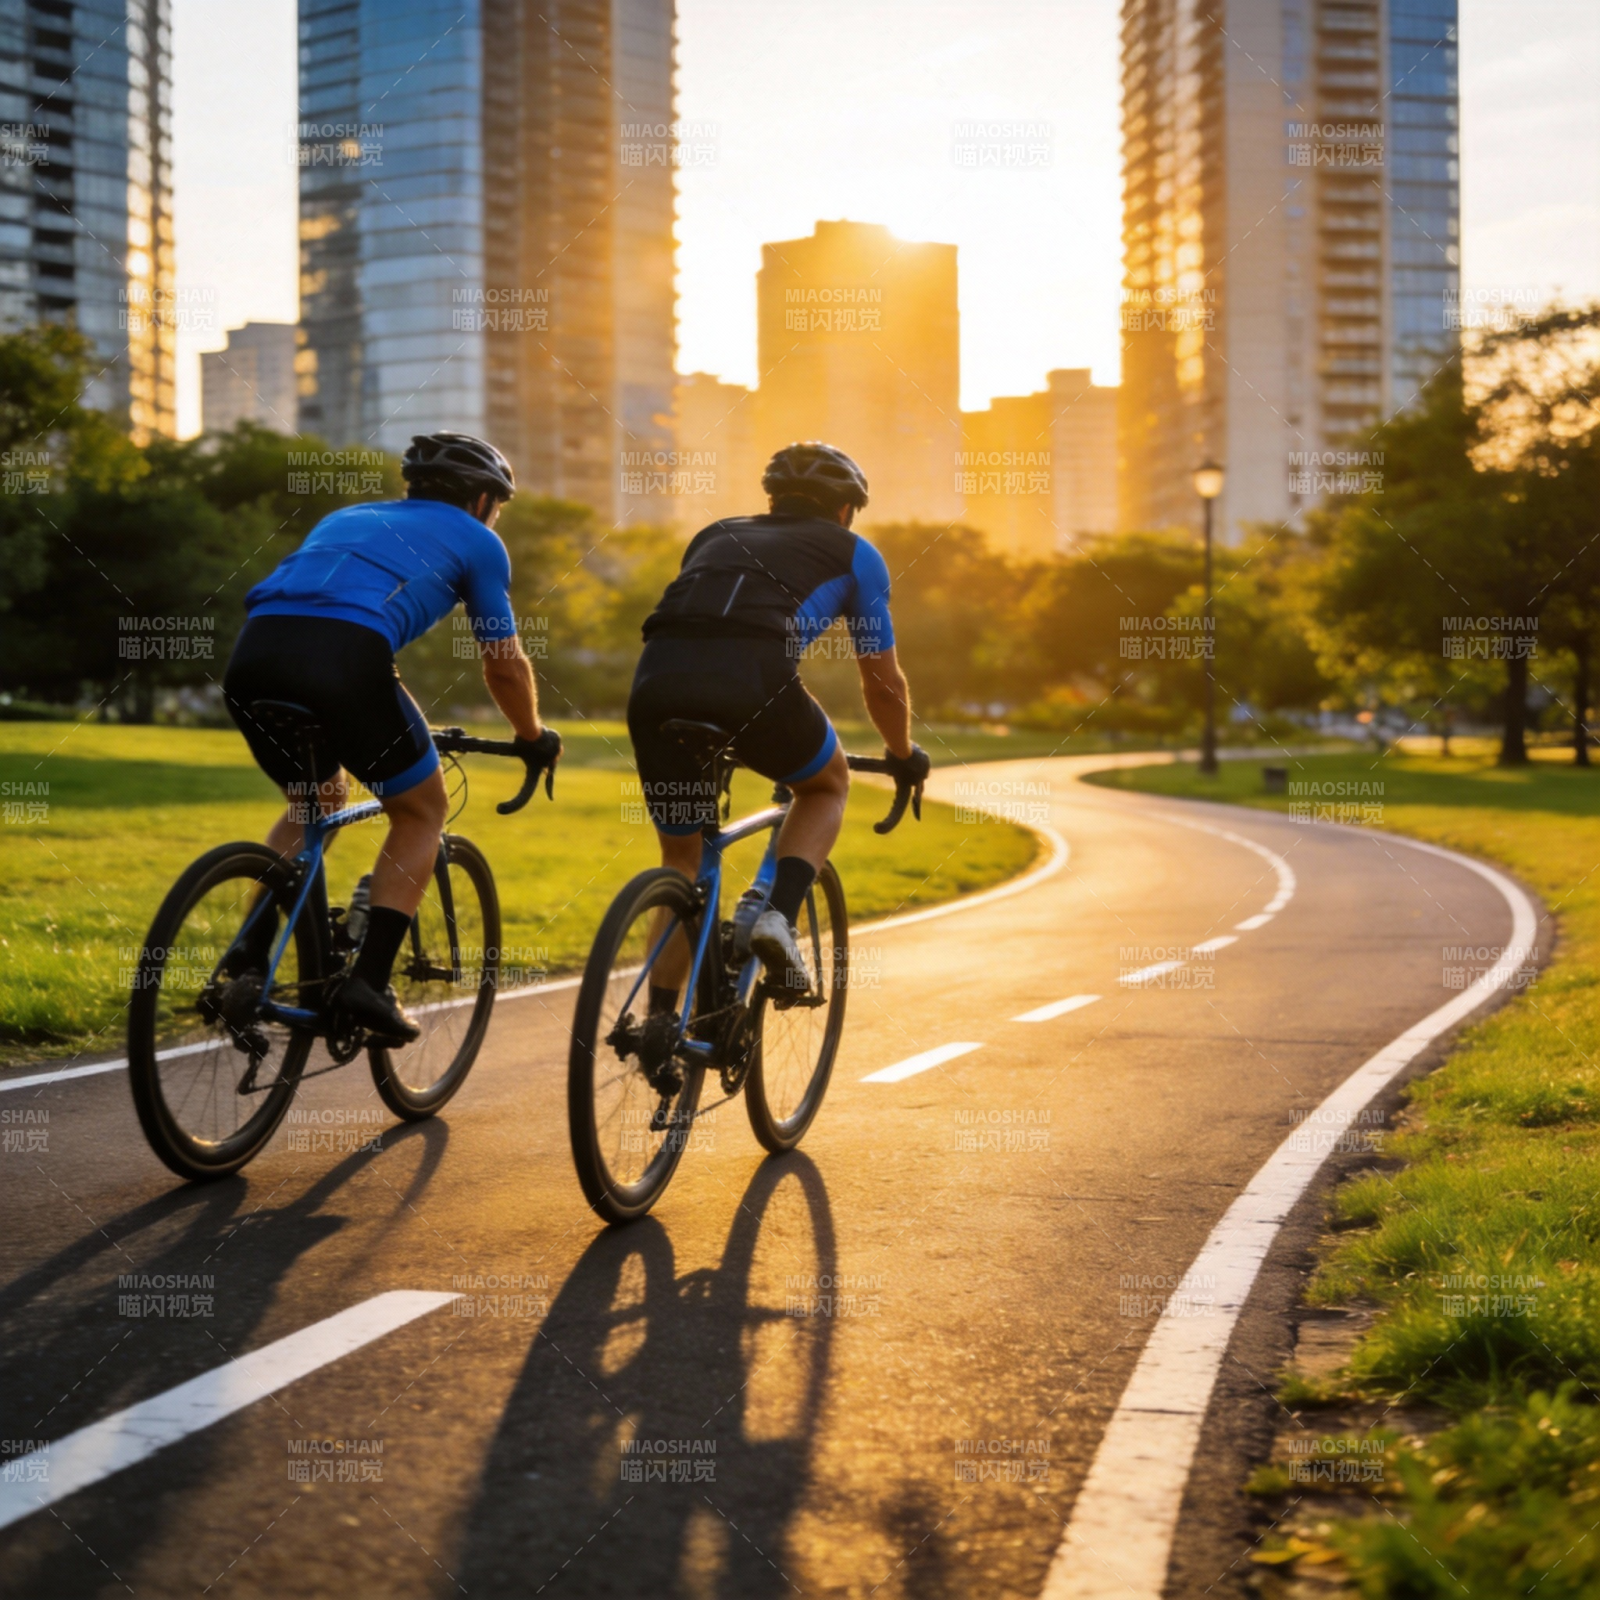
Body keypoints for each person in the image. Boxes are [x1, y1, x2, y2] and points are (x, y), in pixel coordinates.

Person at [222, 431, 557, 1043]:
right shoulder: (480, 540)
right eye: (498, 505)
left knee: (314, 800)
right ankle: (369, 982)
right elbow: (503, 661)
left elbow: (320, 604)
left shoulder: (346, 515)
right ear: (483, 499)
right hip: (347, 657)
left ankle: (245, 962)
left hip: (254, 654)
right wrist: (531, 735)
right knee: (423, 810)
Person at [628, 440, 929, 995]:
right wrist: (903, 753)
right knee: (825, 784)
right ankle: (775, 918)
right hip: (754, 684)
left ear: (772, 499)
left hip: (654, 684)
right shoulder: (855, 552)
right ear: (846, 509)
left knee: (682, 862)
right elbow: (881, 681)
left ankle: (659, 1029)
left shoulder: (713, 534)